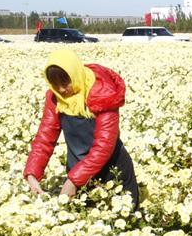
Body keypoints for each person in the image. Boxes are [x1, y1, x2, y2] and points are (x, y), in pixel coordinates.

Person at [24, 49, 139, 209]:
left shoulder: (102, 93)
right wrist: (32, 173)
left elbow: (104, 146)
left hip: (113, 172)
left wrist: (74, 180)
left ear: (75, 74)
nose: (61, 89)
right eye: (55, 84)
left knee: (123, 218)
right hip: (78, 172)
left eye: (65, 82)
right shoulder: (55, 97)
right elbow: (45, 138)